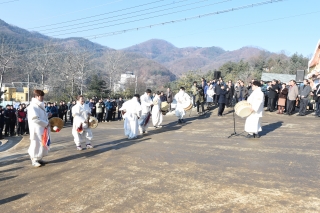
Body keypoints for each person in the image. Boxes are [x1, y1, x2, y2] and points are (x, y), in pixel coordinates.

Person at [27, 90, 52, 167]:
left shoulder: (39, 105)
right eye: (41, 96)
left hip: (42, 129)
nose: (43, 97)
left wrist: (47, 115)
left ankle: (39, 158)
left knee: (41, 144)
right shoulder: (32, 106)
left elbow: (40, 117)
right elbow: (35, 119)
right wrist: (46, 123)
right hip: (36, 130)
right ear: (37, 96)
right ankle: (34, 159)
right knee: (35, 144)